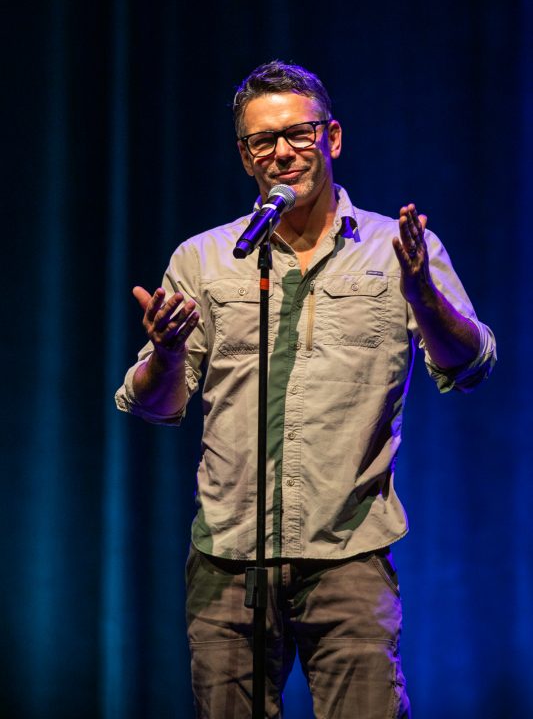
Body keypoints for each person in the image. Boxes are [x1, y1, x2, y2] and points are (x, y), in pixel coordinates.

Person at [115, 61, 496, 718]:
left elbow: (471, 364)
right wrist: (168, 355)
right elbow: (155, 405)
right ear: (245, 156)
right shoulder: (203, 259)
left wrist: (424, 299)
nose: (283, 151)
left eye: (299, 133)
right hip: (228, 561)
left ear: (332, 137)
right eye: (263, 140)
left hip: (347, 556)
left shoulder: (397, 249)